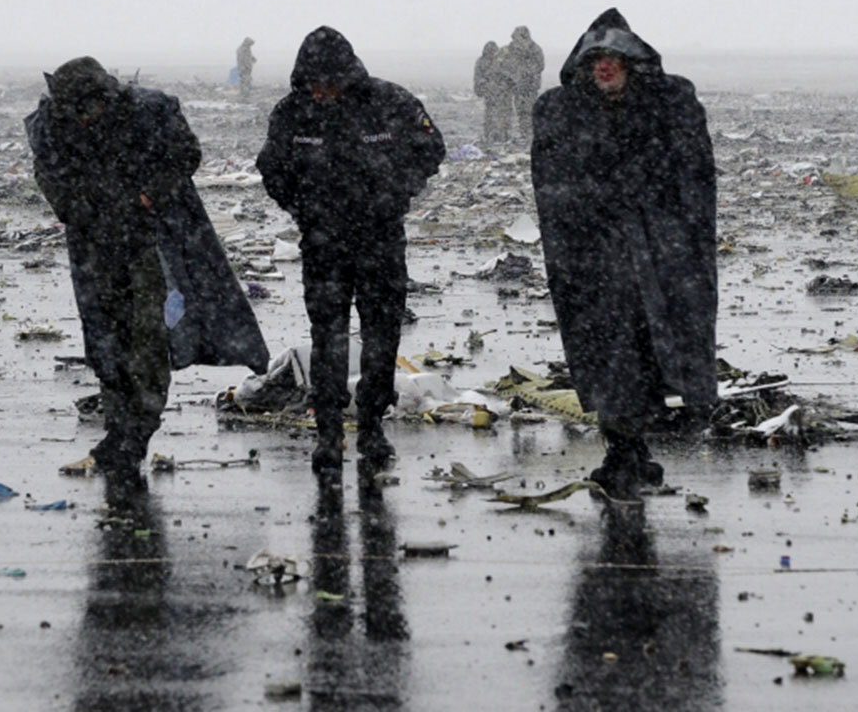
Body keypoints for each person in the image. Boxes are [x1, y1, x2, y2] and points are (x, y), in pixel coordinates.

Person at [26, 57, 269, 474]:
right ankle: (118, 432)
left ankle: (134, 434)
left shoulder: (147, 111)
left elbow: (186, 154)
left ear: (104, 98)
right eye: (76, 112)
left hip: (150, 241)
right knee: (107, 338)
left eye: (89, 110)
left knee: (148, 336)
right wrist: (76, 207)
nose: (84, 120)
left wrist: (149, 194)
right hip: (94, 243)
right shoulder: (52, 123)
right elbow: (48, 173)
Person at [531, 8, 717, 503]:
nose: (604, 67)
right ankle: (623, 447)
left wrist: (673, 232)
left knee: (649, 346)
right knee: (608, 351)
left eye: (613, 58)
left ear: (632, 62)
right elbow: (553, 185)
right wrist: (584, 226)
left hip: (656, 252)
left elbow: (693, 176)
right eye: (596, 60)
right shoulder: (561, 110)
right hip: (593, 256)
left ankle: (632, 447)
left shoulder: (669, 103)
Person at [256, 27, 446, 472]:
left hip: (380, 239)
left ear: (347, 76)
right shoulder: (292, 113)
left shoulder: (389, 102)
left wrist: (396, 193)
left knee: (381, 333)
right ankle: (328, 431)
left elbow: (431, 149)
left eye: (329, 83)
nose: (321, 92)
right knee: (328, 336)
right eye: (313, 84)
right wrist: (304, 210)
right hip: (323, 244)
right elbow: (271, 168)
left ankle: (373, 424)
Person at [506, 25, 545, 142]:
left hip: (530, 86)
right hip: (518, 86)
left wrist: (526, 72)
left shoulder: (535, 49)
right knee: (520, 110)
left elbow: (540, 65)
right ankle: (524, 132)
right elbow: (508, 64)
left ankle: (531, 133)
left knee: (530, 110)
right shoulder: (513, 49)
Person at [472, 40, 513, 145]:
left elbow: (509, 76)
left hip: (502, 93)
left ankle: (503, 135)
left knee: (503, 115)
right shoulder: (482, 62)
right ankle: (491, 135)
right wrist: (485, 86)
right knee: (492, 115)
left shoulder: (501, 61)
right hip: (492, 94)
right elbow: (478, 77)